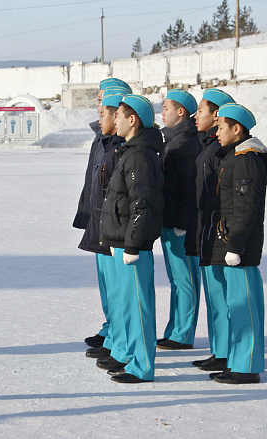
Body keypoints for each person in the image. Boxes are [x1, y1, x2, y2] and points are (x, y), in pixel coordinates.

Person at [203, 103, 267, 384]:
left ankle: (247, 367)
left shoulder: (246, 158)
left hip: (240, 247)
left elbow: (246, 208)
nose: (216, 132)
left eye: (221, 127)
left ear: (237, 128)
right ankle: (238, 362)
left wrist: (236, 246)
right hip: (231, 242)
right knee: (236, 307)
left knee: (245, 308)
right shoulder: (233, 156)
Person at [96, 94, 164, 383]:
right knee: (129, 306)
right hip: (122, 242)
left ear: (132, 120)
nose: (115, 120)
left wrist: (133, 244)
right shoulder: (131, 151)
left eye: (119, 115)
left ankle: (142, 367)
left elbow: (142, 204)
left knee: (138, 308)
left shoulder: (139, 156)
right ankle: (132, 359)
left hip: (131, 245)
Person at [73, 78, 132, 349]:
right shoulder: (101, 137)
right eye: (98, 100)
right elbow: (92, 179)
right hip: (98, 218)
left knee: (119, 285)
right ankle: (112, 328)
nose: (98, 105)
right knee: (107, 284)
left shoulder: (122, 143)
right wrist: (85, 213)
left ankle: (119, 335)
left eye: (102, 100)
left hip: (114, 223)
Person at [186, 89, 236, 371]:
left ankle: (227, 351)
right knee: (214, 297)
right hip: (204, 229)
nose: (196, 116)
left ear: (217, 115)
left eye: (201, 111)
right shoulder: (208, 145)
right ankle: (220, 350)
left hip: (216, 231)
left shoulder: (219, 149)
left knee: (222, 296)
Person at [157, 89, 201, 351]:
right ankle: (175, 330)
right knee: (177, 279)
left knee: (185, 279)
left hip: (180, 224)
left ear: (181, 111)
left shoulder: (186, 143)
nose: (162, 113)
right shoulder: (173, 140)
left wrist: (182, 224)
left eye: (166, 108)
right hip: (169, 220)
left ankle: (183, 334)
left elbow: (188, 189)